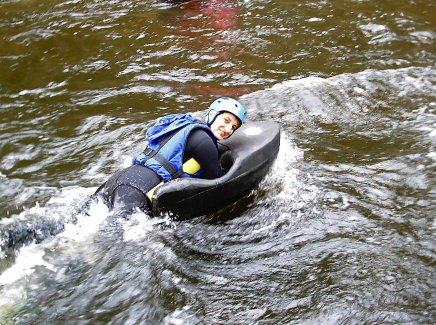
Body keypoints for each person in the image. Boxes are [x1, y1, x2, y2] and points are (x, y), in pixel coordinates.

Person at [88, 97, 246, 215]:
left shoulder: (183, 125)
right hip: (138, 190)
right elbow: (218, 181)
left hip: (119, 180)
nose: (227, 129)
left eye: (233, 127)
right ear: (212, 114)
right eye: (225, 121)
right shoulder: (204, 141)